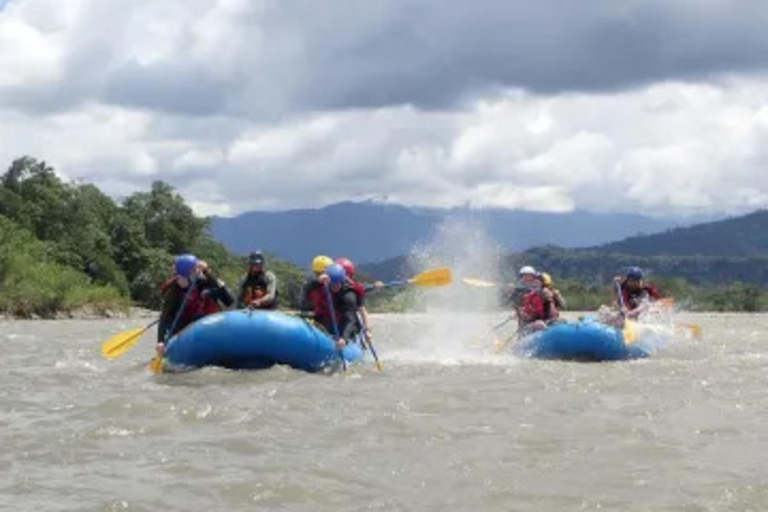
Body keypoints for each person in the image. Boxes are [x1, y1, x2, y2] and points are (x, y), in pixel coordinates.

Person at [157, 254, 235, 355]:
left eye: (198, 269)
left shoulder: (202, 282)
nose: (199, 271)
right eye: (195, 269)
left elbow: (229, 301)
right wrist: (160, 342)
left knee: (208, 297)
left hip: (204, 323)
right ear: (187, 272)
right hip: (183, 326)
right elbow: (164, 318)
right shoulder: (173, 290)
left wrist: (207, 272)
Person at [315, 263, 361, 349]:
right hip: (330, 322)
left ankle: (351, 341)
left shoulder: (349, 296)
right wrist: (318, 280)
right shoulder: (324, 285)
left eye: (338, 284)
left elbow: (350, 320)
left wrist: (344, 339)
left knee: (346, 324)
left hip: (346, 326)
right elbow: (308, 288)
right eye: (333, 284)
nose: (335, 287)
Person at [335, 257, 373, 342]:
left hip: (348, 326)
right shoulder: (328, 286)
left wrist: (367, 330)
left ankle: (350, 339)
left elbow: (362, 310)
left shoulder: (354, 289)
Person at [510, 266, 558, 333]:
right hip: (528, 325)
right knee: (539, 324)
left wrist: (550, 299)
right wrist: (517, 313)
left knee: (561, 321)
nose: (528, 278)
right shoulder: (519, 293)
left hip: (544, 323)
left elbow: (554, 316)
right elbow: (519, 310)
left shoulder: (544, 293)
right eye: (525, 276)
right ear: (521, 278)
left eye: (530, 276)